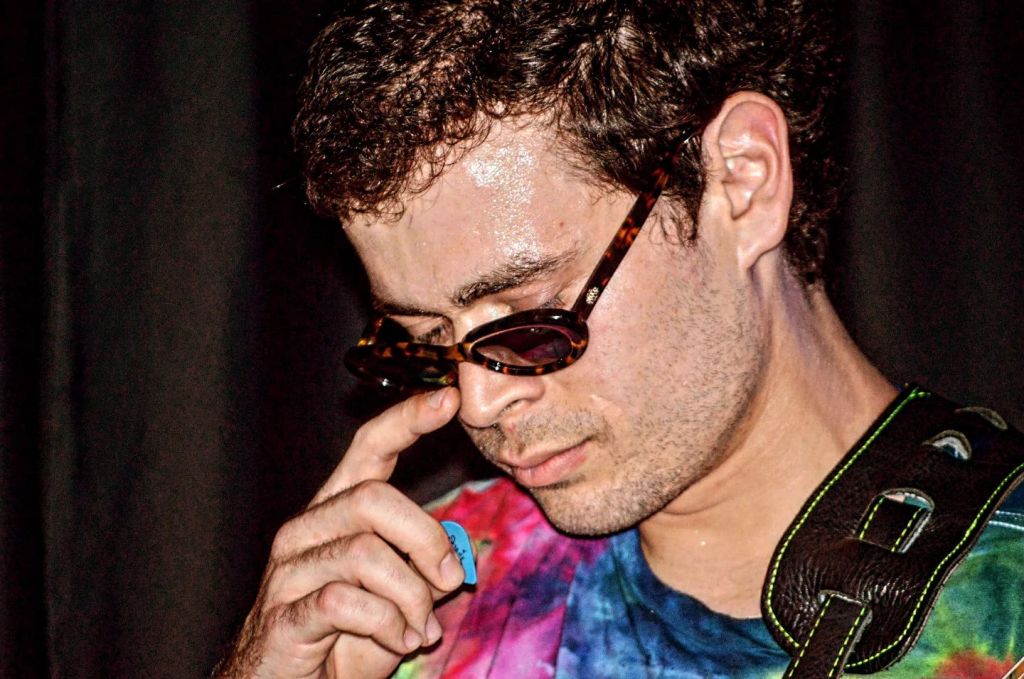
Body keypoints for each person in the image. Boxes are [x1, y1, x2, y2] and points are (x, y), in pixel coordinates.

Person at [216, 1, 1024, 677]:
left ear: (742, 180)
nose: (479, 401)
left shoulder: (1005, 601)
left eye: (530, 318)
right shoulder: (412, 594)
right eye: (426, 339)